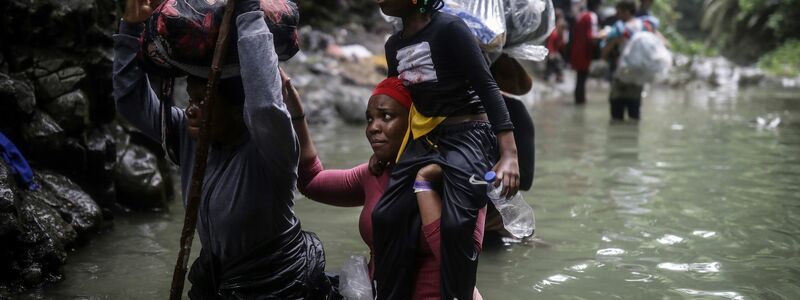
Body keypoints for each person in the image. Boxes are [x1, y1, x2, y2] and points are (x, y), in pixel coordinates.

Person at [113, 0, 331, 298]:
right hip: (221, 276)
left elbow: (265, 105)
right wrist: (131, 28)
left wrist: (250, 13)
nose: (190, 109)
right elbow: (130, 102)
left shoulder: (270, 147)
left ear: (238, 109)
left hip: (279, 280)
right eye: (190, 99)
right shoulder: (189, 137)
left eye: (203, 101)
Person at [282, 74, 484, 299]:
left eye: (386, 116)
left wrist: (424, 185)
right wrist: (296, 114)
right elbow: (311, 182)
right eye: (369, 119)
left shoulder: (458, 176)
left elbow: (459, 266)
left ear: (414, 121)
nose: (372, 128)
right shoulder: (376, 173)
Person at [374, 0, 521, 298]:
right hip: (426, 136)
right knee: (385, 215)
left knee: (456, 225)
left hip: (469, 132)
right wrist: (386, 151)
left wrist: (509, 154)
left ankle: (458, 295)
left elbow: (487, 87)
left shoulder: (450, 29)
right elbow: (400, 101)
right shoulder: (394, 45)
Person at [600, 0, 655, 120]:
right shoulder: (644, 27)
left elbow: (604, 53)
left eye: (619, 12)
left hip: (620, 75)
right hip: (638, 76)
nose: (617, 15)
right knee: (634, 114)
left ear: (626, 12)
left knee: (616, 114)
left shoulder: (619, 28)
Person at [570, 0, 602, 105]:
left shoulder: (581, 16)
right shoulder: (592, 16)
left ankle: (579, 100)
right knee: (582, 78)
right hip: (585, 52)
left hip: (576, 50)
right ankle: (581, 101)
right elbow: (592, 36)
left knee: (579, 78)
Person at [545, 9, 569, 83]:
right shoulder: (554, 33)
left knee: (558, 61)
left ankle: (558, 76)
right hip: (551, 51)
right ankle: (551, 75)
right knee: (556, 61)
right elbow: (550, 44)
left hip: (556, 51)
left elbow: (561, 45)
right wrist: (551, 52)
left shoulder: (560, 34)